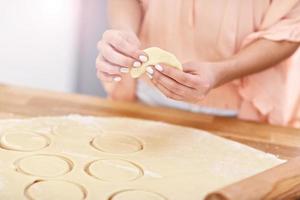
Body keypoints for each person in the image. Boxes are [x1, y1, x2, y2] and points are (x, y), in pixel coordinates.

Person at [96, 0, 300, 127]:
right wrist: (125, 33)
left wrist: (221, 72)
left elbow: (290, 24)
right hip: (145, 97)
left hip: (240, 111)